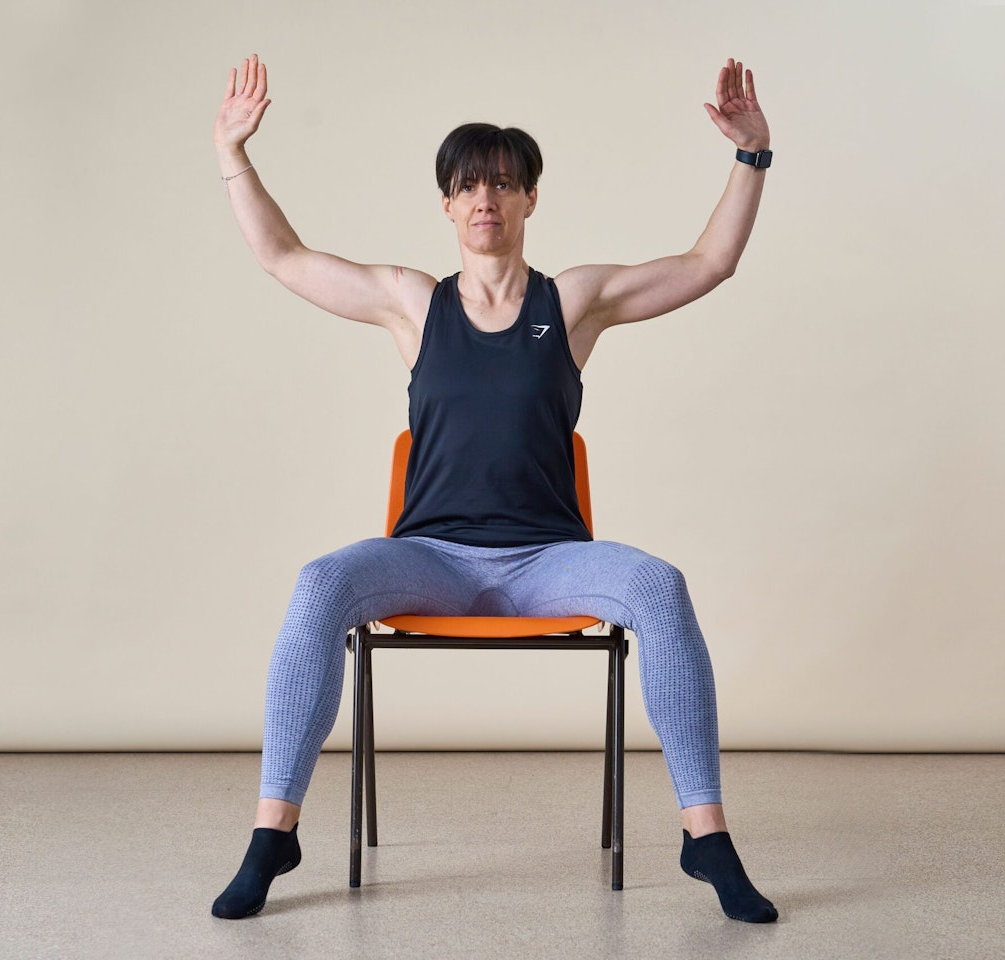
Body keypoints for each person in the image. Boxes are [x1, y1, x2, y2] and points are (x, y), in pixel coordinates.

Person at [209, 53, 778, 923]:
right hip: (427, 557)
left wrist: (751, 157)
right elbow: (283, 257)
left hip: (550, 558)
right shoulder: (412, 303)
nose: (487, 200)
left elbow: (708, 264)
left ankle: (706, 838)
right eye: (470, 186)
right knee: (320, 583)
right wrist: (234, 153)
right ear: (447, 204)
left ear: (529, 200)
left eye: (505, 185)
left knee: (660, 588)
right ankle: (272, 834)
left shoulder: (573, 300)